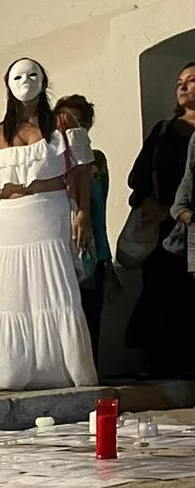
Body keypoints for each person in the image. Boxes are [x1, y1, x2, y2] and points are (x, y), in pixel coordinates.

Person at [0, 57, 97, 390]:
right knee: (7, 293)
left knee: (55, 288)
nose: (26, 81)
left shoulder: (62, 123)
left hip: (50, 212)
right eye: (18, 76)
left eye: (33, 75)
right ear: (7, 84)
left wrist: (83, 212)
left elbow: (82, 169)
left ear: (43, 81)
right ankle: (11, 374)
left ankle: (62, 371)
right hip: (10, 218)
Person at [125, 63, 195, 377]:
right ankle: (158, 362)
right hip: (163, 227)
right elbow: (138, 176)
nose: (183, 87)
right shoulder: (164, 129)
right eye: (180, 82)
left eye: (191, 81)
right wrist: (151, 203)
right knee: (161, 291)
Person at [54, 94, 111, 366]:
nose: (66, 125)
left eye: (74, 121)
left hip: (90, 248)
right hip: (58, 247)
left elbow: (95, 197)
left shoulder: (95, 160)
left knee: (89, 315)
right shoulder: (49, 158)